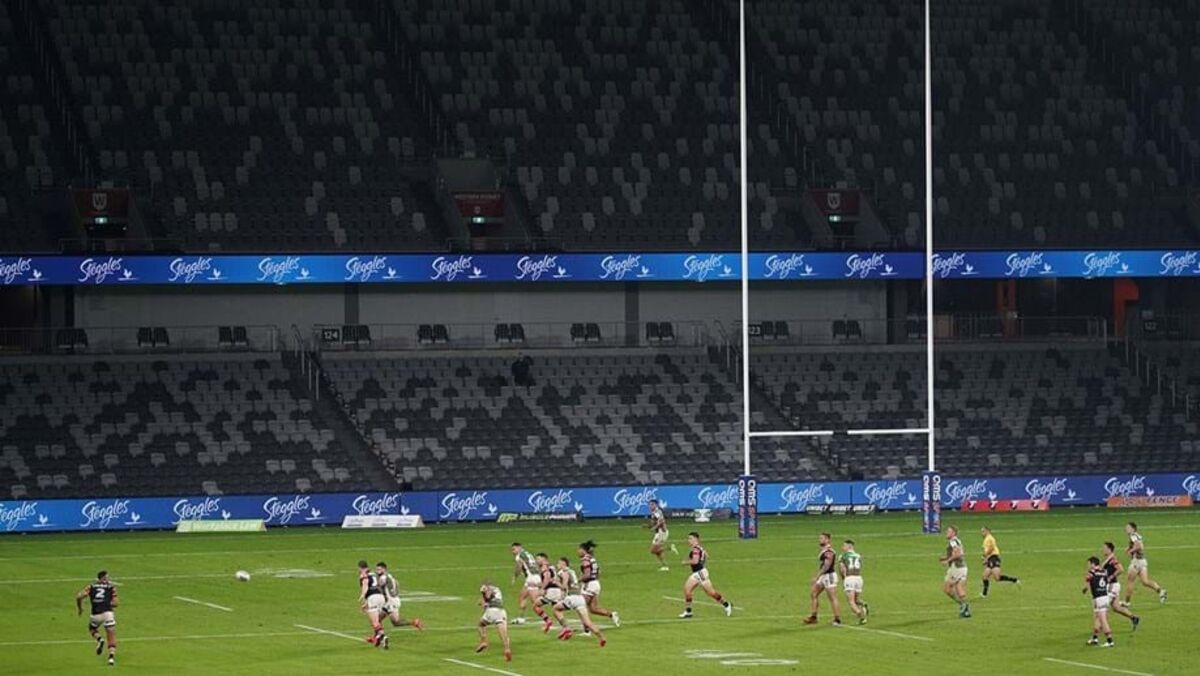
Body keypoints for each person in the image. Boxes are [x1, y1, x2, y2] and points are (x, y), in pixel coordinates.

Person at [551, 557, 607, 646]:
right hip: (580, 598)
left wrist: (556, 583)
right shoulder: (572, 571)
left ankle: (566, 628)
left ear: (563, 564)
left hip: (572, 598)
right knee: (588, 622)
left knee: (555, 609)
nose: (557, 565)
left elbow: (564, 587)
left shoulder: (564, 573)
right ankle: (601, 637)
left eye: (559, 563)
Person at [678, 532, 733, 619]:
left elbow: (695, 561)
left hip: (699, 573)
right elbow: (706, 555)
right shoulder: (700, 548)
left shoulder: (695, 549)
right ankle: (688, 611)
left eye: (690, 538)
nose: (688, 540)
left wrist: (685, 562)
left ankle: (726, 604)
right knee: (688, 590)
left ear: (696, 539)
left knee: (710, 593)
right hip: (699, 572)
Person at [75, 570, 118, 667]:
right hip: (108, 613)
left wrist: (80, 608)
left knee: (92, 628)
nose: (108, 579)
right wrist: (107, 603)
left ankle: (99, 639)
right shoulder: (111, 588)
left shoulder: (91, 587)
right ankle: (111, 658)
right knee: (111, 635)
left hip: (96, 615)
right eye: (107, 577)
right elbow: (116, 603)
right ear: (102, 578)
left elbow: (79, 596)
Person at [1122, 522, 1166, 606]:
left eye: (1128, 528)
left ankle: (1126, 602)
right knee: (1145, 581)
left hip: (1136, 562)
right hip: (1142, 561)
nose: (1126, 529)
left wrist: (1130, 551)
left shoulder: (1133, 536)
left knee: (1130, 582)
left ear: (1133, 529)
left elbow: (1139, 546)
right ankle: (1161, 591)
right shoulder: (1138, 535)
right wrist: (1129, 548)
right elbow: (1138, 544)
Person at [579, 540, 620, 627]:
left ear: (583, 550)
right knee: (593, 609)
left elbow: (587, 574)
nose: (578, 551)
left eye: (579, 549)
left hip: (589, 585)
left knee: (581, 606)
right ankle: (611, 614)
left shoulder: (585, 560)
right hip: (595, 584)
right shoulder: (592, 559)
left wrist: (578, 581)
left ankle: (587, 629)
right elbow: (599, 572)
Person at [803, 532, 842, 625]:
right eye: (820, 538)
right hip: (824, 576)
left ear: (827, 540)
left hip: (829, 576)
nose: (820, 540)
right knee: (813, 594)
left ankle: (837, 619)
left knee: (832, 597)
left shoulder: (829, 552)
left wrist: (817, 576)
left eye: (822, 538)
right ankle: (814, 617)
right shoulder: (825, 550)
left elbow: (826, 566)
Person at [1101, 542, 1140, 631]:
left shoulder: (1112, 559)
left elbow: (1121, 569)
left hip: (1112, 586)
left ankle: (1099, 630)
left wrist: (1111, 577)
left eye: (1105, 548)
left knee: (1103, 607)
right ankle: (1134, 618)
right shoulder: (1108, 559)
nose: (1103, 550)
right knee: (1116, 607)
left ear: (1109, 549)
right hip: (1113, 586)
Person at [376, 562, 425, 632]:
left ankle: (414, 622)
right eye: (377, 569)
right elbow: (397, 584)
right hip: (393, 600)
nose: (377, 571)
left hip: (391, 602)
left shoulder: (383, 578)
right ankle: (379, 635)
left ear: (384, 569)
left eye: (379, 569)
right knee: (378, 619)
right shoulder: (390, 576)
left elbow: (379, 588)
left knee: (395, 622)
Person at [476, 580, 513, 662]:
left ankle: (484, 641)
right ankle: (507, 649)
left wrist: (483, 602)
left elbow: (487, 598)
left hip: (491, 611)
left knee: (481, 625)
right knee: (504, 634)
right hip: (501, 611)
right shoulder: (497, 589)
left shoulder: (485, 589)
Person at [939, 525, 971, 618]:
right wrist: (946, 557)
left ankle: (964, 606)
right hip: (959, 567)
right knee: (951, 588)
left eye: (948, 531)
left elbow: (958, 554)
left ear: (953, 533)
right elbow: (958, 553)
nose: (946, 533)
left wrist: (947, 561)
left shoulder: (953, 541)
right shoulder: (956, 541)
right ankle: (964, 606)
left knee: (954, 588)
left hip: (957, 567)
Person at [1083, 557, 1115, 648]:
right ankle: (1095, 638)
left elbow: (1087, 582)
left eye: (1089, 564)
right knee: (1098, 618)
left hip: (1099, 599)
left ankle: (1110, 641)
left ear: (1093, 564)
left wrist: (1085, 588)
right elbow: (1107, 581)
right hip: (1105, 596)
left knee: (1103, 620)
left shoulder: (1092, 572)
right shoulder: (1104, 571)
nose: (1088, 566)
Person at [980, 527, 1020, 597]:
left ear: (988, 531)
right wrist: (986, 559)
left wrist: (985, 555)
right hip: (990, 558)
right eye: (981, 532)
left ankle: (1015, 580)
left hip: (994, 558)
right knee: (985, 576)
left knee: (997, 578)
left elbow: (991, 548)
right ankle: (984, 594)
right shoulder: (986, 539)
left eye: (983, 531)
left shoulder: (990, 538)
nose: (982, 533)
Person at [510, 542, 544, 624]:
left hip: (531, 578)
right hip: (535, 576)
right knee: (522, 596)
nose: (513, 552)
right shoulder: (528, 554)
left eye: (514, 549)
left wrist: (515, 577)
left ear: (519, 548)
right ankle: (521, 618)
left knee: (534, 601)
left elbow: (519, 566)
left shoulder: (520, 556)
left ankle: (546, 618)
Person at [358, 560, 389, 648]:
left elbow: (365, 583)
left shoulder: (363, 574)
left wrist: (363, 594)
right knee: (378, 620)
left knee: (374, 622)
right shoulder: (374, 574)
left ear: (360, 568)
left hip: (373, 598)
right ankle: (378, 638)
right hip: (381, 597)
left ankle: (383, 636)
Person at [840, 540, 869, 625]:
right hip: (859, 578)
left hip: (850, 578)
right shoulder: (858, 555)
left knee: (851, 601)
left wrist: (844, 578)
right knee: (856, 600)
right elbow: (860, 566)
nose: (842, 547)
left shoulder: (843, 556)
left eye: (844, 546)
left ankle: (862, 617)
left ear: (850, 546)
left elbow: (842, 568)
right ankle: (863, 604)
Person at [646, 498, 677, 571]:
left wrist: (654, 527)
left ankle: (670, 548)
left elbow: (662, 521)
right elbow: (656, 522)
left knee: (653, 550)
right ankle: (665, 566)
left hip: (661, 533)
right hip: (659, 533)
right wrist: (649, 526)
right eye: (650, 505)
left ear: (656, 505)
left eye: (652, 504)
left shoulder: (657, 511)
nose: (650, 506)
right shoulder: (654, 512)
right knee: (657, 552)